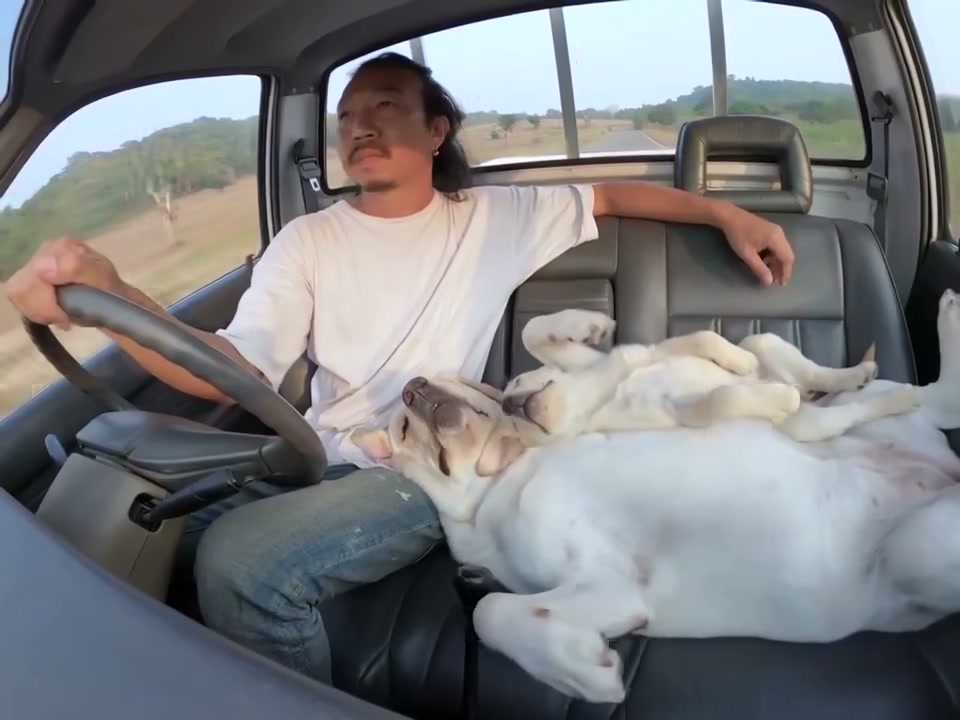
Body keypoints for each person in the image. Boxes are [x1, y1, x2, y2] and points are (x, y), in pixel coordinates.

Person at [6, 52, 795, 684]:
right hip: (310, 457)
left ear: (437, 130)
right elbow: (235, 367)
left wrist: (727, 213)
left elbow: (613, 197)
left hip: (427, 464)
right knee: (125, 523)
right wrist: (113, 295)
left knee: (241, 564)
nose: (361, 126)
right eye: (348, 116)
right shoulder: (306, 242)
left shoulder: (494, 217)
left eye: (384, 106)